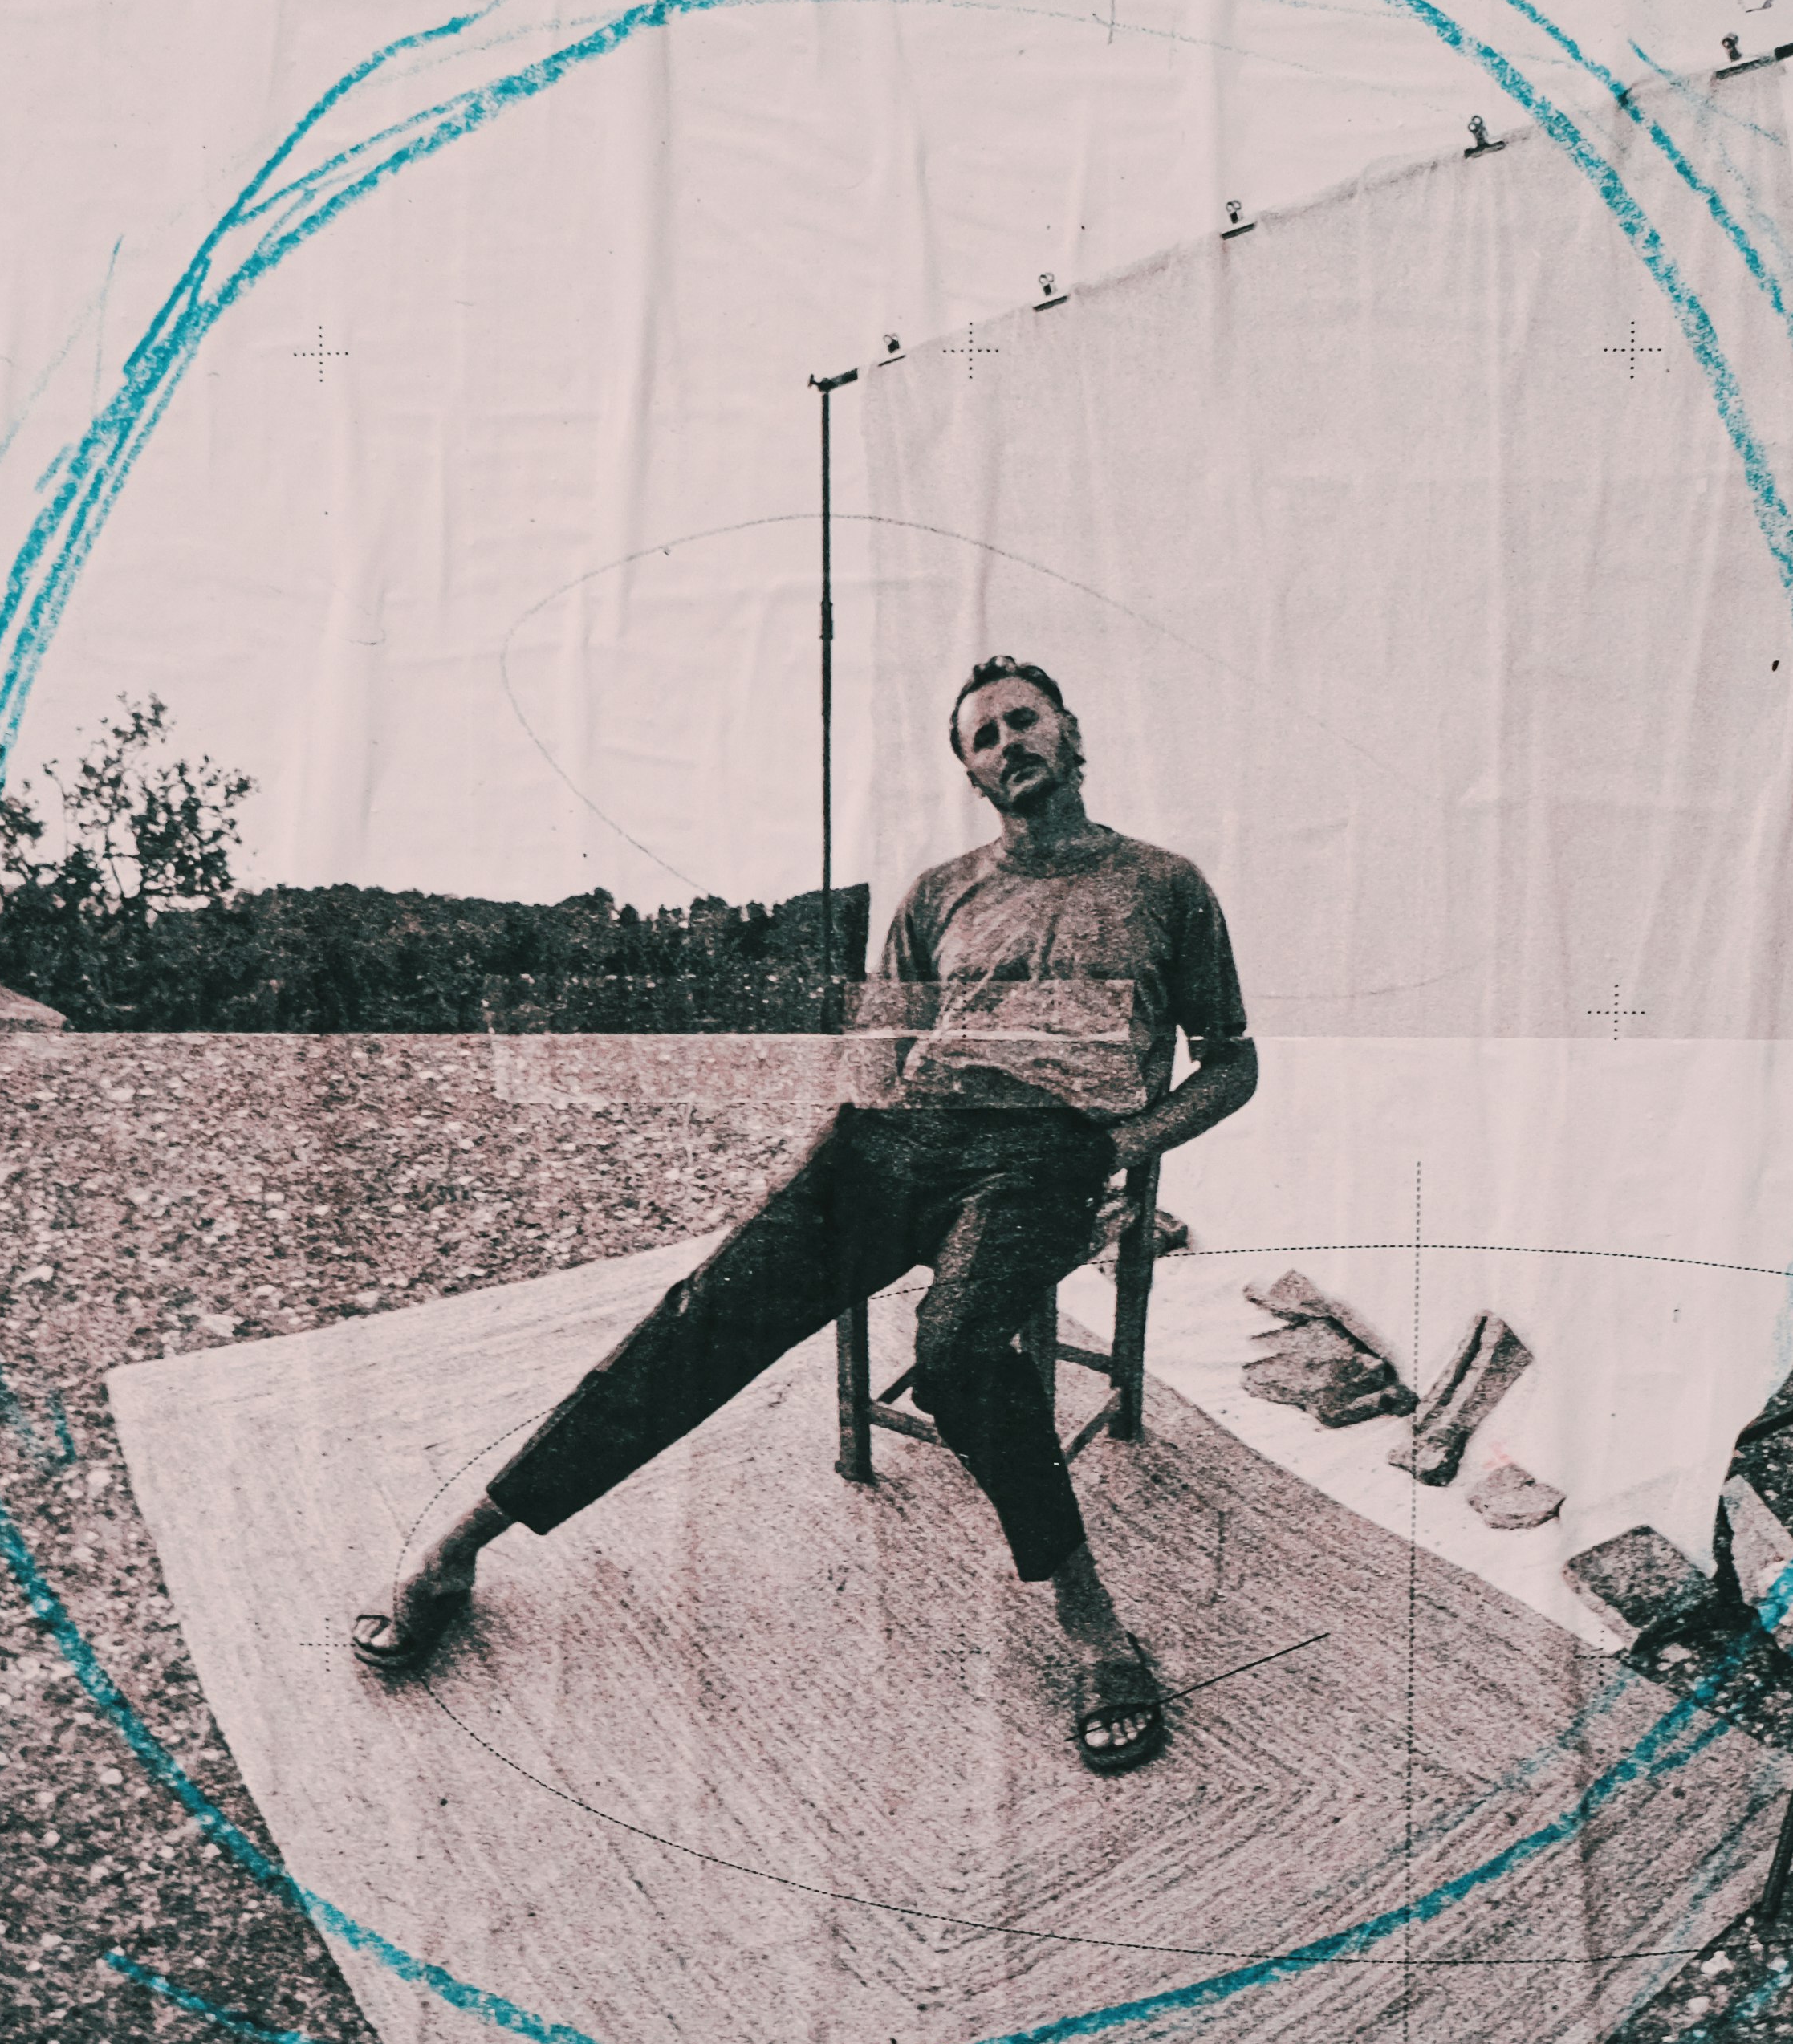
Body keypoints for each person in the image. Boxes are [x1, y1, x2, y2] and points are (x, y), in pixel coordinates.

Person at [352, 657, 1256, 1772]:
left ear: (1073, 731)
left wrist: (1119, 1150)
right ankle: (461, 1546)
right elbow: (879, 1053)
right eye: (982, 736)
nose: (1008, 742)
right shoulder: (938, 893)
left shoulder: (1163, 883)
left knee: (962, 1350)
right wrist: (845, 1160)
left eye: (1025, 720)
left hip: (1043, 1154)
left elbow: (1233, 1064)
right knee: (704, 1314)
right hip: (901, 1140)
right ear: (972, 774)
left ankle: (1094, 1630)